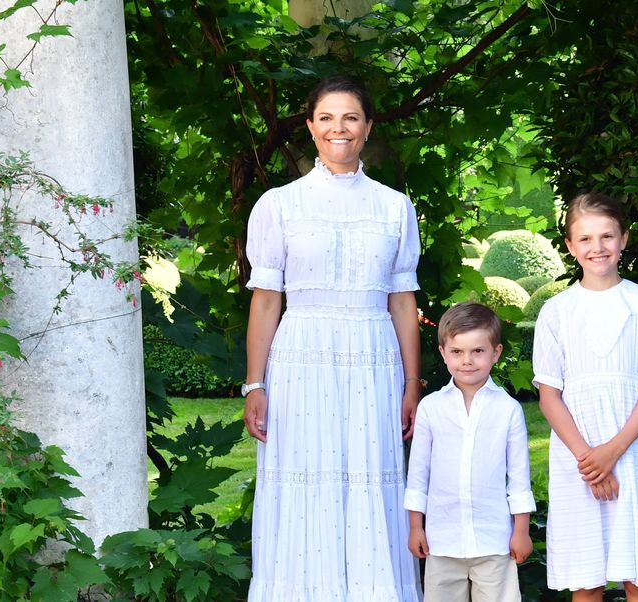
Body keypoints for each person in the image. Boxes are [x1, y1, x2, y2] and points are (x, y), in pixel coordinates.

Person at [242, 75, 422, 600]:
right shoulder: (279, 205)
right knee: (301, 482)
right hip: (299, 358)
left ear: (367, 128)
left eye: (350, 118)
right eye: (327, 118)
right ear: (310, 126)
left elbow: (402, 299)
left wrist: (412, 383)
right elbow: (266, 299)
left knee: (371, 479)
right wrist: (255, 384)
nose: (338, 128)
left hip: (373, 357)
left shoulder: (394, 207)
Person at [533, 192, 638, 602]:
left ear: (624, 239)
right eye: (585, 239)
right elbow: (549, 395)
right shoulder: (556, 311)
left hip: (632, 447)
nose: (596, 248)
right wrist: (589, 459)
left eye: (606, 236)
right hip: (577, 455)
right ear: (569, 245)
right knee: (587, 579)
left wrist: (611, 453)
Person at [404, 301, 536, 601]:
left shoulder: (508, 410)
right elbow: (418, 474)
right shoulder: (431, 408)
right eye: (457, 351)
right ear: (443, 353)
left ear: (496, 352)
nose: (467, 361)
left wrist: (521, 530)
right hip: (442, 539)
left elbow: (518, 478)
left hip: (493, 540)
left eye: (478, 351)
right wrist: (416, 527)